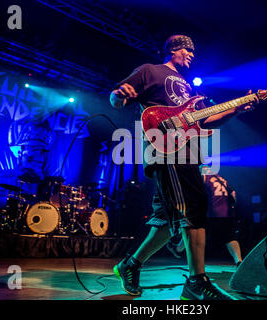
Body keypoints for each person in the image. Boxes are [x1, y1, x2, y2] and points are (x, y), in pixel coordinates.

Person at [109, 35, 258, 300]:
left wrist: (237, 109)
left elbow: (207, 121)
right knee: (193, 207)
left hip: (188, 150)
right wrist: (119, 96)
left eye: (192, 52)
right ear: (173, 50)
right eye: (187, 50)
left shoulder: (190, 89)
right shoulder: (150, 71)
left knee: (167, 220)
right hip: (167, 149)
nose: (191, 55)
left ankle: (129, 264)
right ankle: (196, 282)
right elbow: (116, 98)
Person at [166, 165, 243, 267]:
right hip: (226, 214)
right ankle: (239, 261)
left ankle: (180, 250)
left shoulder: (203, 177)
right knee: (230, 238)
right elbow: (233, 193)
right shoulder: (221, 178)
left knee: (192, 230)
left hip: (210, 213)